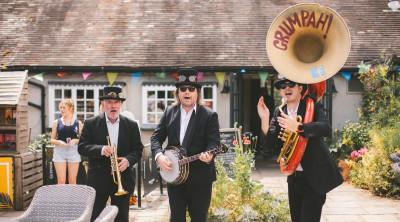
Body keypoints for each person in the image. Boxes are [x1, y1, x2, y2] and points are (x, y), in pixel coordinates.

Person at [257, 75, 343, 222]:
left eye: (291, 84)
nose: (286, 88)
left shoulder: (312, 106)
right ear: (280, 92)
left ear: (300, 88)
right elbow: (268, 144)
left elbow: (325, 128)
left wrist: (298, 126)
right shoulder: (279, 111)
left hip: (314, 177)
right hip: (294, 178)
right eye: (282, 86)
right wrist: (265, 119)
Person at [151, 68, 220, 222]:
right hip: (175, 177)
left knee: (199, 218)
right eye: (183, 89)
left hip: (200, 178)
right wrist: (159, 156)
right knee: (176, 218)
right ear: (178, 92)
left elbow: (214, 142)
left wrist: (208, 154)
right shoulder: (169, 112)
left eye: (191, 89)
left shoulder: (209, 115)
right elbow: (156, 138)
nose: (187, 92)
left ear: (197, 92)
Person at [78, 86, 143, 222]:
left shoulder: (131, 125)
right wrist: (100, 150)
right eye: (109, 102)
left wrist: (128, 160)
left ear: (121, 104)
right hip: (98, 180)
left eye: (116, 102)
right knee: (95, 218)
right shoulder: (90, 123)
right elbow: (82, 147)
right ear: (103, 104)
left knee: (121, 218)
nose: (113, 106)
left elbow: (138, 150)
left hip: (123, 179)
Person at [50, 99, 83, 184]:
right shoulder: (56, 122)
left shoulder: (78, 123)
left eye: (64, 107)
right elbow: (52, 140)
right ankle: (61, 197)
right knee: (61, 181)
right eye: (60, 107)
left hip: (74, 151)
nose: (61, 110)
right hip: (59, 152)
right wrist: (59, 142)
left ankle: (72, 198)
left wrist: (75, 140)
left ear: (71, 108)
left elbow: (83, 140)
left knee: (72, 180)